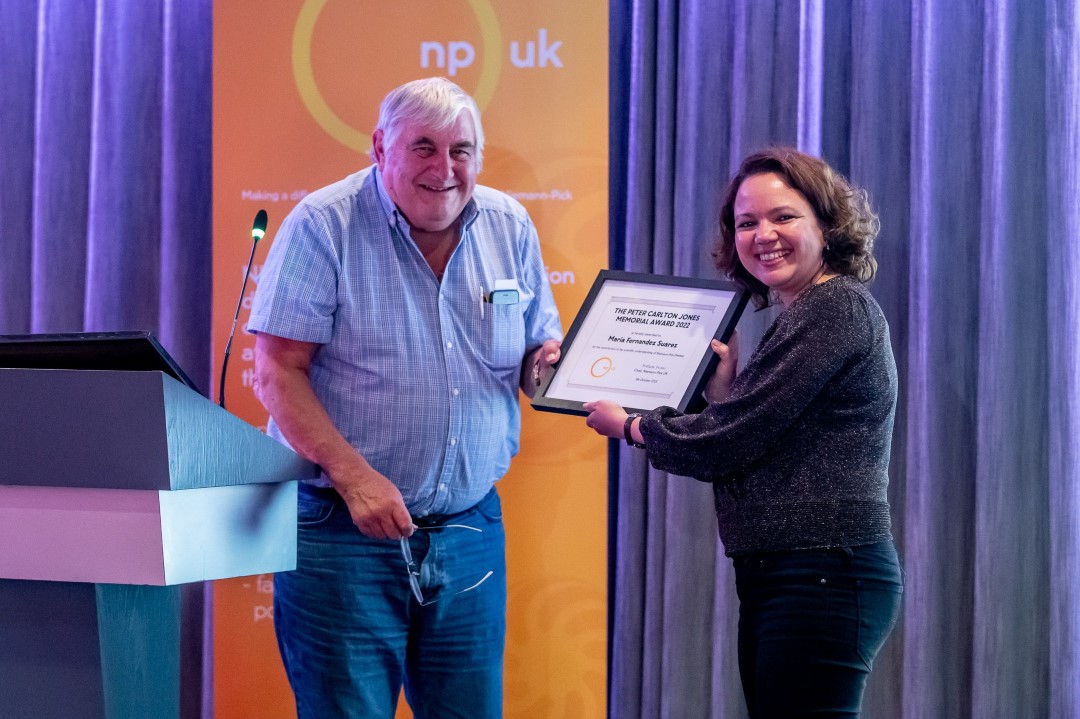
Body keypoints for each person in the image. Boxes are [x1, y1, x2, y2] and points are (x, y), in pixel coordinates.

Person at [248, 77, 562, 719]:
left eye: (461, 150)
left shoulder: (509, 224)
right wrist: (356, 479)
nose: (444, 170)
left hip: (470, 532)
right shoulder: (322, 225)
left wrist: (562, 367)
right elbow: (277, 372)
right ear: (379, 148)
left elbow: (536, 357)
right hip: (341, 536)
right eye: (423, 147)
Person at [584, 147, 902, 718]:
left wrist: (631, 425)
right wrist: (724, 396)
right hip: (791, 571)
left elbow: (727, 442)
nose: (763, 235)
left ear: (826, 225)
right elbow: (757, 440)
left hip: (822, 572)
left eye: (784, 216)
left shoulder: (834, 310)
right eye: (746, 222)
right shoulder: (805, 314)